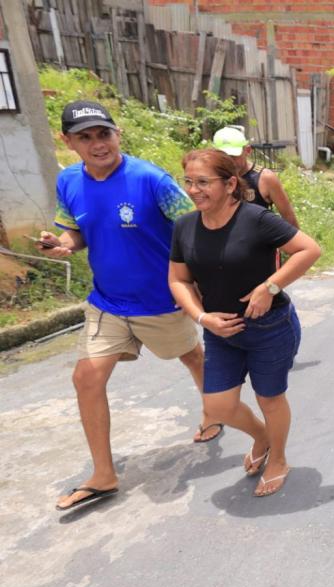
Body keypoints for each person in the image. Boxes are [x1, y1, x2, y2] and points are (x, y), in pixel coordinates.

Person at [38, 101, 218, 511]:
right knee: (86, 378)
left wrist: (198, 285)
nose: (97, 144)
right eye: (85, 137)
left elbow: (193, 227)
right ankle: (103, 474)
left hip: (159, 299)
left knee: (191, 355)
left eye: (104, 133)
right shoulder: (68, 181)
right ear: (69, 142)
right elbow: (75, 233)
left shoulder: (150, 179)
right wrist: (62, 244)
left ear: (117, 134)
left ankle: (214, 409)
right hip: (107, 302)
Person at [168, 149, 321, 497]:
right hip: (220, 333)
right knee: (217, 406)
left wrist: (270, 287)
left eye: (204, 182)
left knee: (270, 398)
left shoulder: (255, 219)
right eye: (189, 182)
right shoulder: (185, 227)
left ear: (230, 183)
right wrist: (202, 317)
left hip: (269, 328)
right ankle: (262, 437)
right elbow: (178, 280)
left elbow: (309, 249)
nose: (194, 190)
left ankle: (279, 458)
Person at [212, 126, 299, 228]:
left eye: (234, 156)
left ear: (247, 150)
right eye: (223, 157)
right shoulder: (212, 177)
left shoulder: (265, 178)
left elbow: (289, 218)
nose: (229, 162)